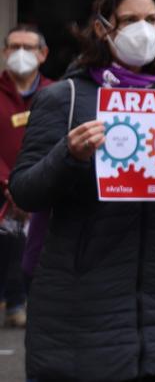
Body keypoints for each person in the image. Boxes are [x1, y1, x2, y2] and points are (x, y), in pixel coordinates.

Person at [10, 0, 155, 381]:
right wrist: (69, 154)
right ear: (101, 26)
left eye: (151, 19)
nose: (143, 30)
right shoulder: (65, 97)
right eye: (130, 19)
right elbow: (25, 188)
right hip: (84, 313)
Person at [0, 24, 52, 328]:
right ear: (5, 52)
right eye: (13, 46)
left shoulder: (56, 92)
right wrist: (10, 184)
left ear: (43, 54)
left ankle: (24, 302)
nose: (20, 53)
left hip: (42, 189)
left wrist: (35, 182)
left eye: (28, 47)